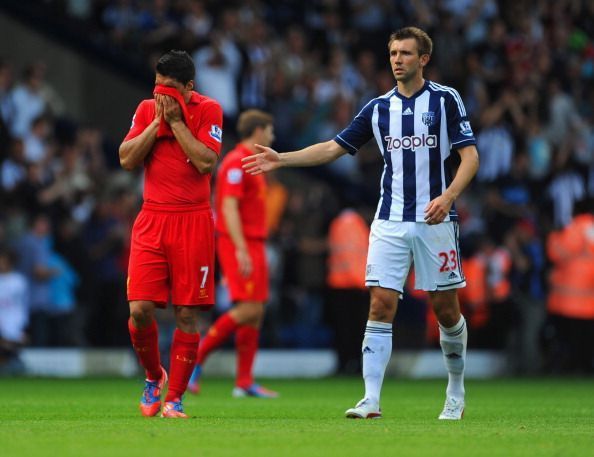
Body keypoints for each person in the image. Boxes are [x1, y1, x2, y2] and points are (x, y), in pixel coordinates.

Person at [243, 27, 479, 420]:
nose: (397, 59)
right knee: (380, 303)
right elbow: (333, 147)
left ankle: (455, 389)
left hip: (435, 220)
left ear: (423, 59)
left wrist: (449, 196)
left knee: (446, 311)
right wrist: (281, 158)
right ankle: (371, 399)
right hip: (389, 219)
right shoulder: (377, 108)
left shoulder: (445, 100)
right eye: (392, 53)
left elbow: (469, 157)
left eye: (405, 53)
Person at [119, 50, 223, 418]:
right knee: (140, 310)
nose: (162, 95)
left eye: (171, 89)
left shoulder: (209, 110)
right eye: (158, 87)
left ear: (189, 88)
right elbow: (127, 158)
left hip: (192, 221)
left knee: (186, 314)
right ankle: (153, 375)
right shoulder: (148, 109)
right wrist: (157, 123)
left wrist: (177, 123)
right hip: (152, 218)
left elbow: (206, 162)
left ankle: (175, 398)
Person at [187, 109, 278, 398]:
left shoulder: (251, 162)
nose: (272, 136)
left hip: (254, 242)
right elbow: (227, 207)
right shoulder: (235, 162)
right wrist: (240, 249)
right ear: (259, 131)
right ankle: (194, 361)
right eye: (270, 130)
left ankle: (244, 381)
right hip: (239, 242)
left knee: (256, 312)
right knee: (248, 309)